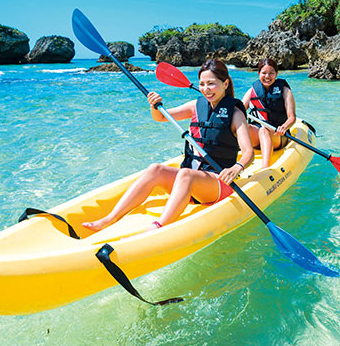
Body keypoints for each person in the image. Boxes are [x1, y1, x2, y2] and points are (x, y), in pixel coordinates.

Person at [82, 59, 254, 232]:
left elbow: (248, 152)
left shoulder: (235, 114)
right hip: (192, 182)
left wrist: (236, 168)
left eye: (211, 84)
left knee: (186, 174)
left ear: (225, 84)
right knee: (155, 169)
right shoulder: (196, 106)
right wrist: (154, 105)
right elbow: (161, 117)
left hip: (218, 183)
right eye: (202, 84)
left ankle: (158, 227)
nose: (205, 89)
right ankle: (108, 219)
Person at [242, 58, 296, 169]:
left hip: (278, 135)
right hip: (258, 135)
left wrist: (284, 127)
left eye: (271, 73)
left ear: (276, 74)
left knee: (264, 130)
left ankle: (265, 168)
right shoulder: (253, 90)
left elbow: (292, 117)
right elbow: (239, 111)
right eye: (264, 73)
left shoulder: (285, 90)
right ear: (258, 74)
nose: (267, 76)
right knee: (243, 127)